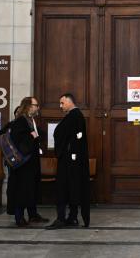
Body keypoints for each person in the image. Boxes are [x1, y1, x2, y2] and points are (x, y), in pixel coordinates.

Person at [47, 93, 91, 229]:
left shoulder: (74, 116)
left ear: (70, 102)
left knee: (64, 188)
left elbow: (73, 138)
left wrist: (68, 154)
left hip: (69, 161)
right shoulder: (74, 116)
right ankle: (72, 217)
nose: (60, 106)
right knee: (72, 188)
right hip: (71, 161)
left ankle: (62, 218)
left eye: (62, 103)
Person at [6, 97, 47, 227]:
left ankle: (33, 215)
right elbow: (18, 140)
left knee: (31, 189)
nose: (38, 107)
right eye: (36, 105)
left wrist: (37, 136)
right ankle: (19, 218)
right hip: (23, 163)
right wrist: (33, 136)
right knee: (21, 190)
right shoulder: (20, 121)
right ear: (29, 106)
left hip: (31, 162)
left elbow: (40, 134)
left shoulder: (30, 120)